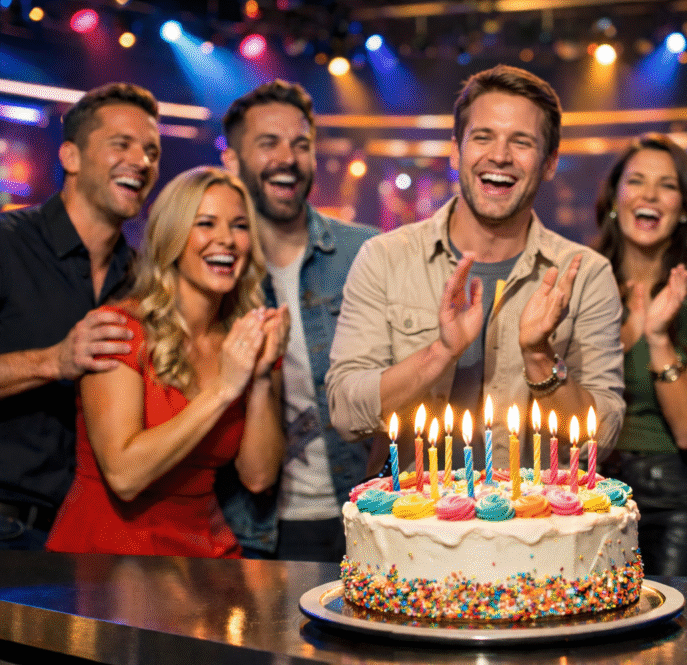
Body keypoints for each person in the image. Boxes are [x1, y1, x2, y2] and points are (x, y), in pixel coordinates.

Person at [325, 64, 624, 473]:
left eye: (521, 142)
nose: (499, 156)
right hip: (415, 525)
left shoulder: (585, 274)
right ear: (456, 150)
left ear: (550, 162)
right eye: (483, 137)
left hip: (535, 525)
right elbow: (345, 410)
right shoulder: (385, 258)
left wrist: (539, 356)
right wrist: (440, 354)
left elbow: (600, 440)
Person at [45, 166, 287, 558]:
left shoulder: (243, 340)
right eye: (205, 223)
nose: (226, 240)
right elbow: (124, 474)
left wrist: (258, 378)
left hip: (202, 554)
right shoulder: (121, 330)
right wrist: (225, 388)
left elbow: (259, 478)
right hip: (108, 556)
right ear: (172, 236)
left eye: (240, 226)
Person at [218, 80, 378, 561]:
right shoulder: (211, 267)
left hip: (361, 518)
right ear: (232, 160)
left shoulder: (366, 253)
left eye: (301, 144)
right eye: (268, 143)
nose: (287, 157)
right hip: (252, 529)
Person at [0, 83, 160, 549]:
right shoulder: (8, 244)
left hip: (88, 538)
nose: (142, 161)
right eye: (122, 144)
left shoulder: (141, 279)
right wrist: (53, 361)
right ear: (70, 157)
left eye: (151, 150)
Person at [593, 133, 687, 577]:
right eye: (636, 181)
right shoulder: (582, 287)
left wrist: (657, 338)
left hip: (673, 497)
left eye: (668, 185)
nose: (650, 194)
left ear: (685, 209)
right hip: (591, 489)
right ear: (616, 199)